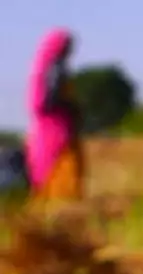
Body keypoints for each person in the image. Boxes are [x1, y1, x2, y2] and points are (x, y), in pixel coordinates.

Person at [26, 28, 84, 203]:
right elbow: (50, 102)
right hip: (57, 131)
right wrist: (72, 107)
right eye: (68, 46)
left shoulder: (42, 70)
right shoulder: (56, 70)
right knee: (63, 172)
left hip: (47, 132)